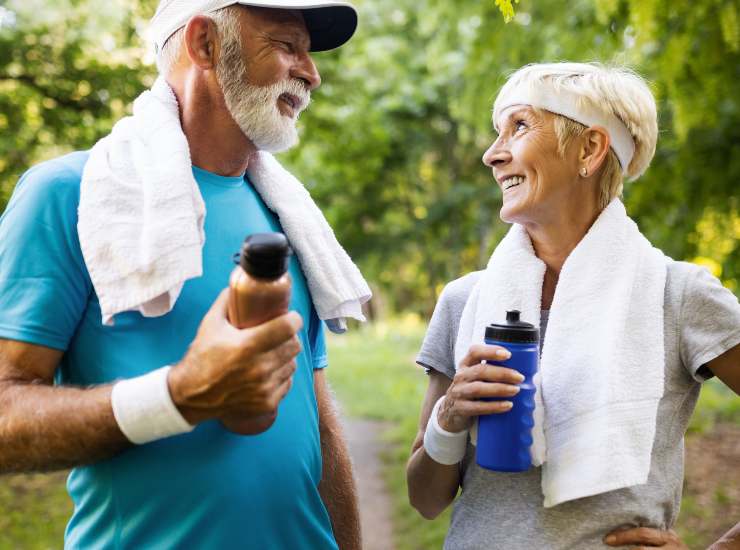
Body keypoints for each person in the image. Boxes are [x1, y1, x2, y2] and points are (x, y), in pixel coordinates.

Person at [0, 1, 369, 548]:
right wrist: (179, 397)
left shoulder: (290, 219)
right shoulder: (70, 195)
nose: (312, 73)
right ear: (204, 45)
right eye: (287, 46)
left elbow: (318, 423)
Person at [406, 62, 740, 549]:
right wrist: (450, 415)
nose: (491, 155)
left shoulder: (678, 295)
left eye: (518, 126)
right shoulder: (466, 301)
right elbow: (425, 499)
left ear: (589, 149)